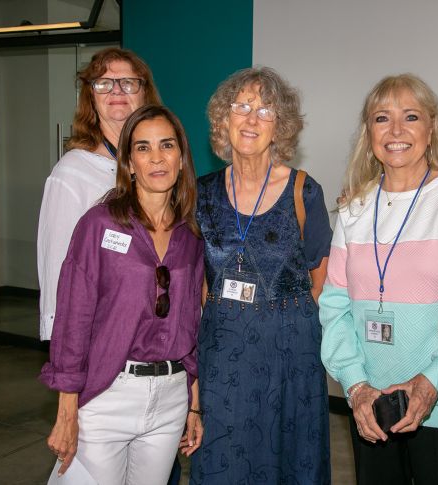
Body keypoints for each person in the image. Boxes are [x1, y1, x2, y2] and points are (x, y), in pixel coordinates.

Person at [319, 73, 438, 485]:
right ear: (368, 131)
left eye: (411, 116)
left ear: (432, 127)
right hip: (372, 408)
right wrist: (356, 387)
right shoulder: (354, 208)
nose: (397, 131)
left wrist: (430, 383)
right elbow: (334, 307)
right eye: (381, 118)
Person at [40, 104, 204, 485]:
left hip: (169, 398)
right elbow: (73, 319)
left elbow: (190, 324)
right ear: (129, 162)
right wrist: (67, 410)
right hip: (107, 393)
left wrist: (194, 405)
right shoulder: (98, 225)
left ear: (181, 158)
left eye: (166, 145)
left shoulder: (190, 235)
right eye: (143, 148)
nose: (157, 158)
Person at [190, 66, 332, 484]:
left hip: (290, 354)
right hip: (223, 353)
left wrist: (280, 321)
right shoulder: (201, 193)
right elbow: (199, 279)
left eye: (265, 110)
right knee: (223, 460)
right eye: (242, 107)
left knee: (290, 461)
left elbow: (321, 277)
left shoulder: (304, 191)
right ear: (223, 119)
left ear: (280, 126)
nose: (252, 119)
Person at [37, 47, 161, 342]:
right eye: (104, 83)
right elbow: (57, 271)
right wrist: (67, 358)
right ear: (91, 97)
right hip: (100, 337)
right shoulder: (71, 174)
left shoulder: (158, 168)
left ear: (145, 94)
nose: (116, 90)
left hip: (152, 335)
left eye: (128, 83)